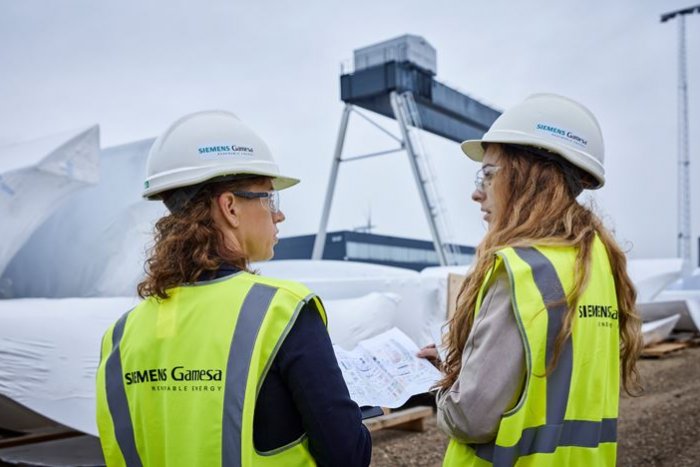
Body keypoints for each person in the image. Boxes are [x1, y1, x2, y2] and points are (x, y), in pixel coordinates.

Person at [95, 110, 371, 466]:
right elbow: (348, 455)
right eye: (269, 198)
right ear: (230, 207)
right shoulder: (283, 311)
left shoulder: (120, 336)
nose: (279, 214)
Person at [429, 94, 642, 466]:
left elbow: (471, 419)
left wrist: (445, 391)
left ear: (528, 178)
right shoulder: (599, 263)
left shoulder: (520, 270)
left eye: (489, 174)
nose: (477, 192)